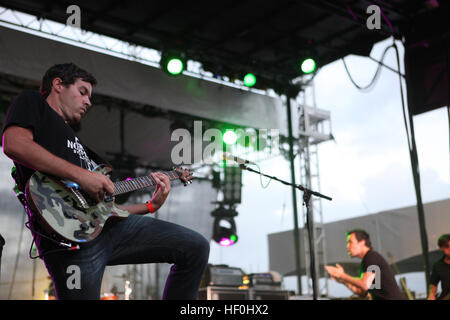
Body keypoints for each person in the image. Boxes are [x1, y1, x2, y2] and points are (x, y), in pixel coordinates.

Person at [1, 62, 210, 300]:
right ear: (58, 84)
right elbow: (15, 144)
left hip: (111, 230)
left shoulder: (82, 149)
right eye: (82, 92)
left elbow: (105, 209)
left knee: (195, 247)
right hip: (70, 242)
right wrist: (82, 175)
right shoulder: (32, 102)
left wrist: (150, 206)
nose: (89, 101)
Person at [325, 229, 405, 300]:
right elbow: (362, 292)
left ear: (362, 242)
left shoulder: (371, 257)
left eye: (350, 242)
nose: (347, 246)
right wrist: (343, 281)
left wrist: (342, 275)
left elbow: (364, 284)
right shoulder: (368, 260)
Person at [428, 234, 450, 300]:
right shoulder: (438, 265)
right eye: (447, 246)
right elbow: (433, 283)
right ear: (441, 248)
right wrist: (431, 294)